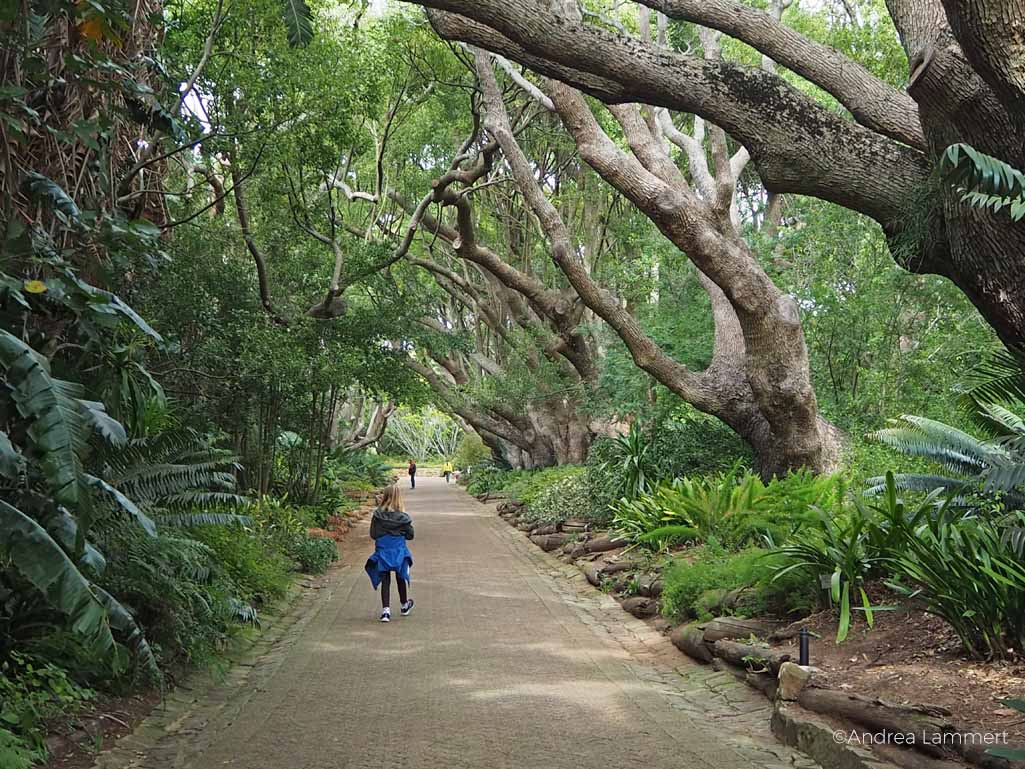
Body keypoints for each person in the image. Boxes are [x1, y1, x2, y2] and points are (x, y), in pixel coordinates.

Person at [364, 485, 414, 623]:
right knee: (400, 576)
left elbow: (373, 535)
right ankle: (404, 605)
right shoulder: (403, 518)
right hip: (399, 552)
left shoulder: (377, 515)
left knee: (385, 579)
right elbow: (411, 535)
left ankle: (386, 611)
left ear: (384, 496)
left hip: (383, 552)